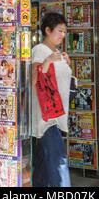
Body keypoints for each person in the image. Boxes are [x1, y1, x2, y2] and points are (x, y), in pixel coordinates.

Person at [31, 12, 72, 187]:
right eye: (59, 31)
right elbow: (34, 80)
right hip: (47, 116)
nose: (62, 35)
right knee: (58, 161)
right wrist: (47, 61)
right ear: (48, 30)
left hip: (56, 113)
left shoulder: (57, 52)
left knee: (42, 164)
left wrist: (67, 64)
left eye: (64, 32)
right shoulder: (40, 50)